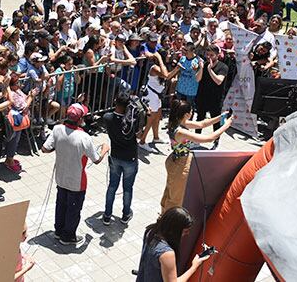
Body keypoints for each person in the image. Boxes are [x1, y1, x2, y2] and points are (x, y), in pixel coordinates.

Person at [42, 102, 109, 246]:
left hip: (61, 176)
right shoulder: (84, 137)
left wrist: (60, 146)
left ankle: (58, 231)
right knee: (73, 209)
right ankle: (68, 237)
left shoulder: (57, 129)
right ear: (79, 119)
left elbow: (45, 149)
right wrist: (105, 149)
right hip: (77, 181)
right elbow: (96, 160)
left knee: (61, 204)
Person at [160, 100, 231, 213]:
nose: (192, 112)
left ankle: (163, 215)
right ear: (186, 115)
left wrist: (220, 117)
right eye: (191, 111)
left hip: (174, 161)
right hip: (180, 165)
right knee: (175, 199)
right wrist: (226, 126)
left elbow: (202, 124)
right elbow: (209, 138)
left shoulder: (177, 122)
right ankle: (167, 221)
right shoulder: (181, 132)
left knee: (170, 191)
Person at [135, 207, 211, 281]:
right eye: (185, 231)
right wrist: (194, 266)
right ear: (174, 230)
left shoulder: (150, 231)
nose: (187, 234)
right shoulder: (167, 253)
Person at [102, 92, 139, 226]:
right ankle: (125, 214)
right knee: (127, 188)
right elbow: (139, 134)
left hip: (115, 157)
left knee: (112, 186)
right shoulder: (131, 122)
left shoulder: (107, 117)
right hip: (130, 158)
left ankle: (107, 215)